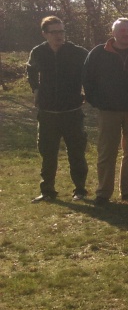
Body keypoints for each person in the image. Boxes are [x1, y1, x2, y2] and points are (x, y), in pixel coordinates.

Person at [83, 17, 128, 204]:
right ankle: (103, 193)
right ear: (113, 32)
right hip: (109, 111)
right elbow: (87, 78)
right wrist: (96, 101)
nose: (126, 34)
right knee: (107, 152)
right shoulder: (98, 53)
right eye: (123, 30)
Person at [26, 15, 89, 202]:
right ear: (44, 34)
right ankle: (47, 191)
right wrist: (36, 90)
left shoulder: (77, 52)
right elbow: (30, 70)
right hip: (47, 113)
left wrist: (88, 92)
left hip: (72, 112)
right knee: (48, 153)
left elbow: (92, 72)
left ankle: (80, 190)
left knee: (76, 153)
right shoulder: (38, 52)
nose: (59, 35)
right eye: (54, 32)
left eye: (61, 31)